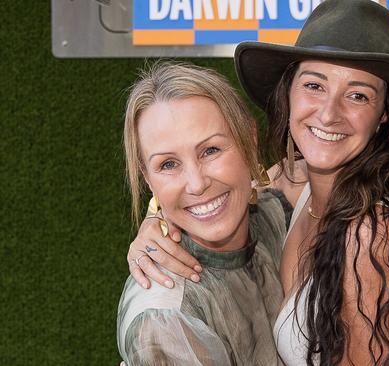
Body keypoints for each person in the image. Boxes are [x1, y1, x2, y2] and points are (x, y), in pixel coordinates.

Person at [127, 1, 389, 365]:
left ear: (384, 114)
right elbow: (218, 189)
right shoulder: (297, 182)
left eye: (357, 95)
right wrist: (157, 221)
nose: (329, 113)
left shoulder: (374, 235)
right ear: (288, 91)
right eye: (314, 85)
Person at [116, 62, 304, 365]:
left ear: (249, 140)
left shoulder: (272, 214)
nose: (197, 183)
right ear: (147, 178)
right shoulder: (166, 317)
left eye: (211, 150)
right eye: (167, 164)